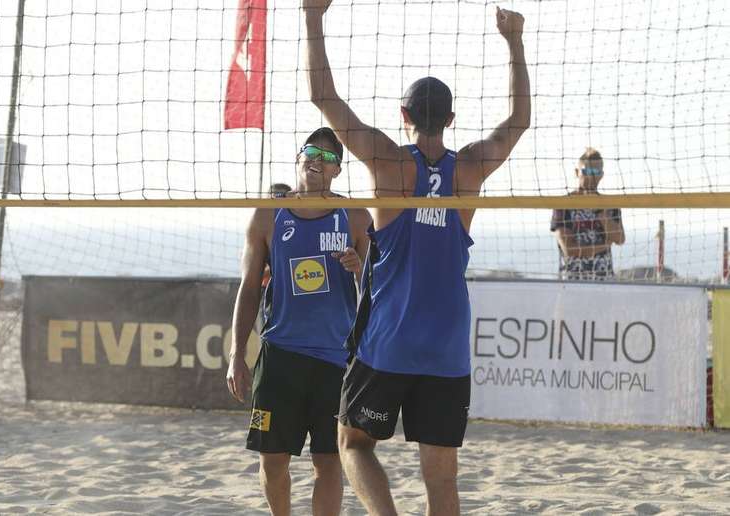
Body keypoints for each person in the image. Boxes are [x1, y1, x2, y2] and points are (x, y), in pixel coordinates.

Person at [303, 2, 531, 515]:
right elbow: (518, 122)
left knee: (353, 443)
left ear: (403, 116)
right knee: (442, 482)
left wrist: (312, 17)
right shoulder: (469, 169)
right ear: (451, 120)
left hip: (390, 339)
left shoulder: (388, 163)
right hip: (448, 344)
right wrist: (513, 40)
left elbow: (323, 97)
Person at [226, 127, 371, 516]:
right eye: (311, 151)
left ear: (338, 171)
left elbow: (380, 290)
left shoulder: (355, 217)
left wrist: (360, 270)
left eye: (327, 157)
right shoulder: (268, 215)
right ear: (297, 157)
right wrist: (237, 353)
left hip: (336, 362)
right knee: (272, 462)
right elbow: (249, 288)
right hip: (281, 359)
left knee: (329, 463)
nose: (316, 160)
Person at [551, 148, 625, 280]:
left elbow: (619, 239)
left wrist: (599, 211)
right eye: (586, 171)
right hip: (572, 281)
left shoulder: (610, 205)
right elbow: (569, 250)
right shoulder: (563, 205)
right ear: (576, 172)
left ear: (601, 175)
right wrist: (604, 245)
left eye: (595, 172)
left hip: (604, 281)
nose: (591, 176)